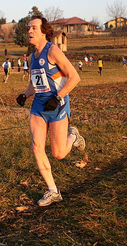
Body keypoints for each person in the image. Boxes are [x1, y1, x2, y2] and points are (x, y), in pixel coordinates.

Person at [16, 16, 85, 207]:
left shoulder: (53, 51)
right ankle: (53, 191)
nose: (30, 31)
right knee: (37, 148)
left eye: (34, 28)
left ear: (44, 31)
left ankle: (73, 136)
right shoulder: (32, 58)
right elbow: (34, 83)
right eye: (29, 28)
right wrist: (24, 94)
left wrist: (58, 97)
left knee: (59, 153)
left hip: (58, 105)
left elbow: (74, 77)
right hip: (39, 106)